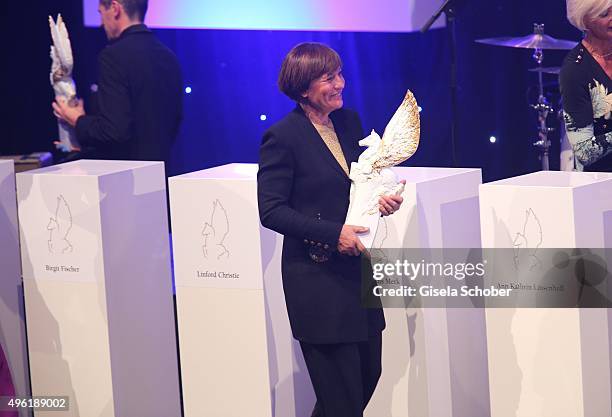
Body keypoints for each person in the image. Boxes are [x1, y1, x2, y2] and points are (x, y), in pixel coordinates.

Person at [257, 42, 403, 417]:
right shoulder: (282, 137)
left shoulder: (349, 122)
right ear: (303, 88)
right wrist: (332, 232)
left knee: (369, 375)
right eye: (328, 78)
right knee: (342, 399)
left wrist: (382, 200)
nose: (340, 83)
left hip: (356, 274)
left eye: (340, 74)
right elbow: (271, 211)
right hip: (317, 281)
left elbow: (360, 186)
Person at [52, 0, 183, 170]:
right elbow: (171, 121)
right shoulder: (169, 57)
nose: (101, 23)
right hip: (161, 176)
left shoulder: (113, 57)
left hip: (125, 182)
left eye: (101, 13)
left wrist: (77, 119)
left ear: (114, 8)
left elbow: (114, 131)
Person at [561, 0, 612, 171]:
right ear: (585, 20)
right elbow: (584, 151)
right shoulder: (575, 70)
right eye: (605, 14)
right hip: (601, 181)